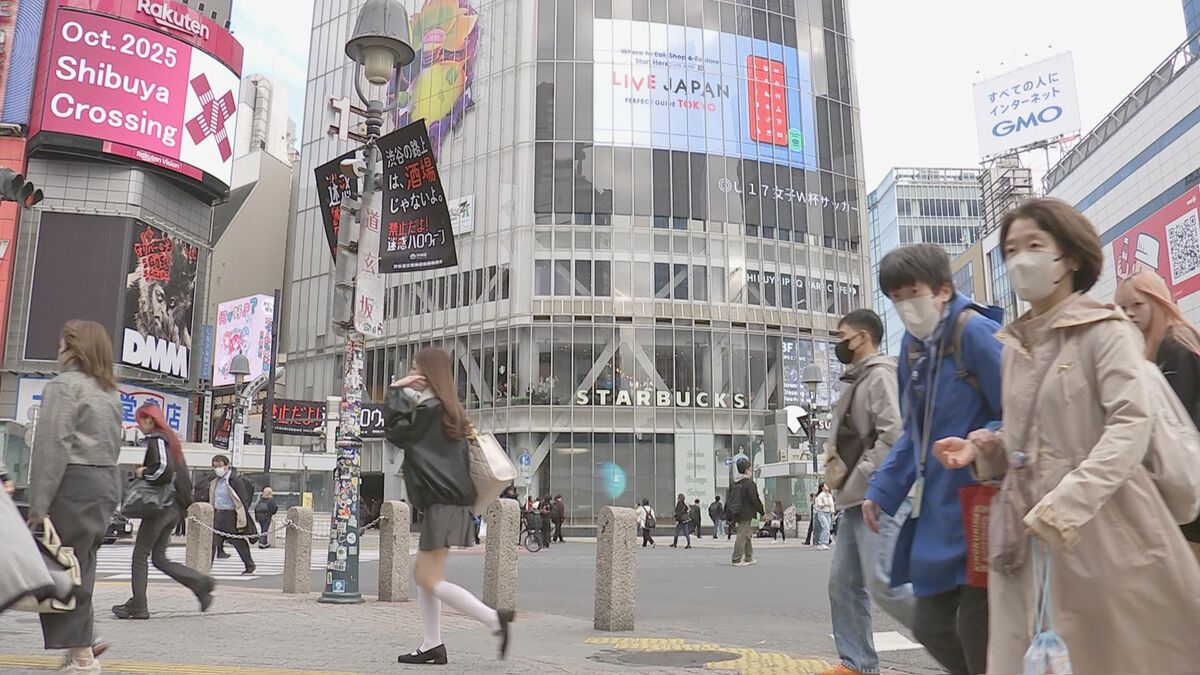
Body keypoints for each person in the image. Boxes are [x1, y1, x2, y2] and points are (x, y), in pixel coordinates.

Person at [933, 199, 1200, 674]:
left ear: (1070, 257)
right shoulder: (1014, 346)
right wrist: (981, 448)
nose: (1021, 260)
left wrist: (1067, 502)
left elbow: (1130, 425)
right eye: (1011, 250)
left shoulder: (1106, 331)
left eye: (1034, 245)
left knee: (1114, 656)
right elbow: (1024, 437)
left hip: (1105, 527)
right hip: (1030, 530)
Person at [864, 243, 1003, 675]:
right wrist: (881, 490)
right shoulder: (912, 347)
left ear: (943, 289)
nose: (906, 306)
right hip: (939, 511)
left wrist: (980, 442)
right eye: (896, 298)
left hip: (982, 506)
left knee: (979, 631)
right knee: (930, 624)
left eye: (913, 293)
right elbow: (914, 432)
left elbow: (1020, 411)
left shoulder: (974, 332)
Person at [384, 348, 514, 664]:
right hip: (451, 502)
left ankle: (494, 619)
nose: (411, 374)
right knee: (424, 574)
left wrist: (396, 388)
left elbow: (396, 431)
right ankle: (432, 643)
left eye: (415, 369)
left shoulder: (431, 410)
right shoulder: (447, 409)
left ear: (427, 373)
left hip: (444, 503)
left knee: (429, 578)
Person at [819, 310, 916, 675]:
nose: (838, 343)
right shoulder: (857, 381)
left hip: (877, 497)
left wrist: (861, 475)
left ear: (861, 337)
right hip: (854, 500)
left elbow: (895, 435)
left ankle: (959, 637)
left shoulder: (880, 375)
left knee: (887, 586)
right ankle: (857, 664)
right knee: (843, 585)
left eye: (841, 335)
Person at [26, 321, 123, 673]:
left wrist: (38, 505)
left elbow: (51, 448)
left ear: (74, 349)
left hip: (72, 484)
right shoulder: (109, 392)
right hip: (104, 484)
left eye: (62, 344)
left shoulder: (64, 386)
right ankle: (82, 643)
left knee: (57, 567)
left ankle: (82, 655)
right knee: (80, 565)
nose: (58, 351)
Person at [1115, 270, 1200, 558]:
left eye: (1138, 305)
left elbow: (1179, 417)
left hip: (1188, 471)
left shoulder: (1176, 344)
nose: (1129, 314)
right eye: (1122, 308)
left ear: (1158, 301)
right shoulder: (1155, 346)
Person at [113, 404, 216, 620]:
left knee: (140, 555)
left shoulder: (158, 439)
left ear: (149, 420)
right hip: (174, 508)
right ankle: (200, 584)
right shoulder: (172, 441)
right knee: (159, 558)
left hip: (160, 506)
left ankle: (139, 605)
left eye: (140, 421)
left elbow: (163, 470)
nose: (139, 426)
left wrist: (143, 472)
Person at [727, 458, 765, 566]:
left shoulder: (734, 482)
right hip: (746, 512)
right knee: (742, 535)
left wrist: (728, 514)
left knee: (747, 534)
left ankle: (748, 557)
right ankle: (736, 559)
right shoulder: (749, 483)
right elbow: (754, 499)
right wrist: (762, 512)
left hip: (736, 511)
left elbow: (729, 499)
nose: (750, 470)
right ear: (747, 470)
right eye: (749, 468)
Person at [814, 484, 835, 550]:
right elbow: (818, 505)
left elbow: (832, 505)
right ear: (822, 487)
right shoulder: (820, 496)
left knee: (827, 528)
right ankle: (822, 543)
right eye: (826, 486)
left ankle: (823, 543)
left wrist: (832, 512)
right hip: (821, 513)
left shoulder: (829, 495)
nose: (827, 487)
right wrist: (826, 505)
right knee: (825, 527)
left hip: (828, 513)